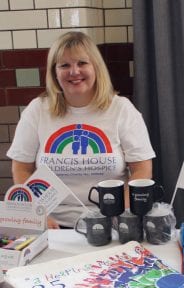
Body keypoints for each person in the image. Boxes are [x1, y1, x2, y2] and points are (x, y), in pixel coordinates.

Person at [7, 31, 156, 229]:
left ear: (96, 67)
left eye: (82, 63)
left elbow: (142, 169)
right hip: (53, 224)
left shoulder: (121, 108)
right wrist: (36, 215)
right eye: (64, 65)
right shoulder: (37, 109)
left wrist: (119, 213)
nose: (74, 71)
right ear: (54, 72)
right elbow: (21, 168)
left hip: (111, 222)